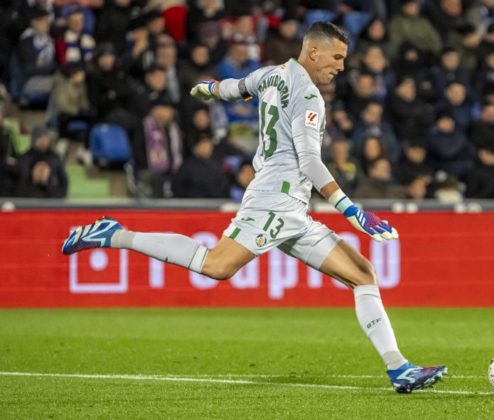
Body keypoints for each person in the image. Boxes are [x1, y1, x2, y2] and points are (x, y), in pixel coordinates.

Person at [61, 21, 446, 393]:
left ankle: (399, 368)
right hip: (276, 201)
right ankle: (116, 235)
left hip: (289, 205)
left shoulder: (271, 74)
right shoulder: (309, 95)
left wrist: (209, 88)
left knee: (362, 273)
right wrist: (351, 210)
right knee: (216, 265)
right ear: (313, 52)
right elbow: (310, 162)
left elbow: (235, 87)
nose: (341, 67)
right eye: (336, 57)